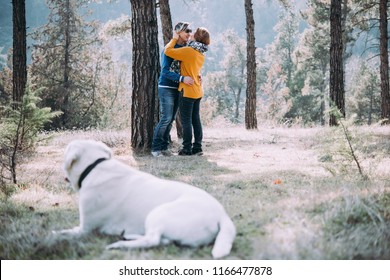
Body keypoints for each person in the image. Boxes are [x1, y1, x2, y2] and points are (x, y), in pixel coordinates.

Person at [164, 27, 210, 156]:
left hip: (187, 90)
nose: (191, 35)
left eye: (193, 34)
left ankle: (186, 149)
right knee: (196, 119)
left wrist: (174, 37)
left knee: (186, 121)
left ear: (196, 37)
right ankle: (198, 147)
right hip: (197, 90)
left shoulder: (189, 51)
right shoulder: (201, 53)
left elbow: (168, 51)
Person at [151, 22, 194, 157]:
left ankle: (164, 148)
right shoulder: (170, 48)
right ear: (178, 32)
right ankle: (156, 149)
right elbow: (165, 72)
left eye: (190, 30)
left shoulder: (186, 48)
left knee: (171, 119)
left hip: (178, 88)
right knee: (166, 118)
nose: (189, 33)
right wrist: (182, 79)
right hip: (166, 87)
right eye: (186, 31)